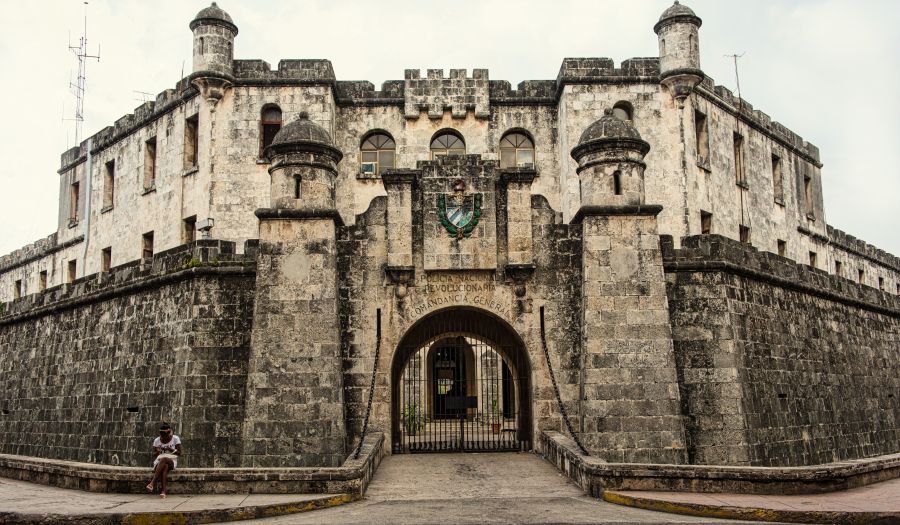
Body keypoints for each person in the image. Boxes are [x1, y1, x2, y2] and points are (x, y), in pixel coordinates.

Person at [146, 423, 182, 498]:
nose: (164, 438)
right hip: (159, 462)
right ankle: (164, 491)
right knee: (165, 467)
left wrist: (170, 449)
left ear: (169, 433)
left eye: (166, 436)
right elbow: (154, 454)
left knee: (164, 459)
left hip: (172, 460)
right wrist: (158, 451)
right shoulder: (157, 440)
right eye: (162, 436)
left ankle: (152, 483)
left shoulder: (175, 438)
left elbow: (179, 453)